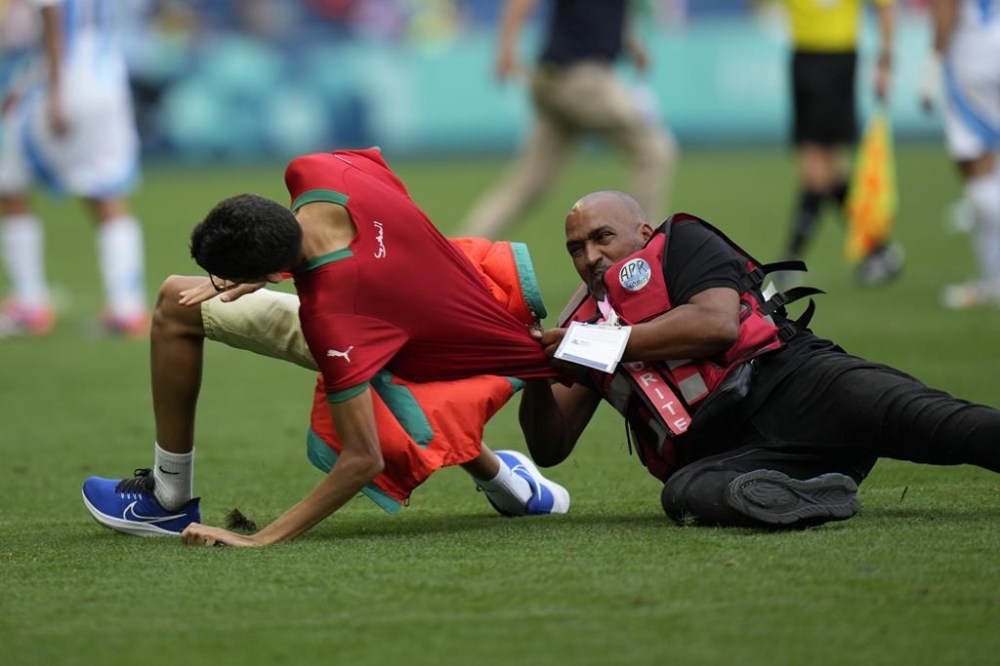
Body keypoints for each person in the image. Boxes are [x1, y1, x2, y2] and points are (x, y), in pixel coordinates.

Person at [81, 147, 570, 548]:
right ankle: (508, 484)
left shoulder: (335, 318)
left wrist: (258, 540)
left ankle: (167, 499)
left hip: (460, 360)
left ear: (272, 274)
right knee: (179, 300)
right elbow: (383, 210)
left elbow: (363, 459)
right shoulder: (317, 170)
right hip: (475, 299)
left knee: (384, 388)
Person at [518, 190, 1000, 529]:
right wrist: (536, 369)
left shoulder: (681, 244)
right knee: (683, 495)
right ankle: (815, 495)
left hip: (799, 383)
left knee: (941, 423)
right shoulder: (581, 326)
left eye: (603, 237)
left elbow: (716, 324)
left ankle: (810, 491)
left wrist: (595, 346)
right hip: (732, 452)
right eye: (576, 248)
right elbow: (551, 447)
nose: (591, 256)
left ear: (642, 231)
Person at [458, 0, 675, 240]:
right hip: (581, 79)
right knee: (654, 151)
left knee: (527, 184)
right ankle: (646, 254)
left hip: (552, 77)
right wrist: (505, 49)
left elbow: (607, 12)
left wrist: (632, 45)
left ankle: (462, 249)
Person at [0, 0, 149, 338]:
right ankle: (127, 307)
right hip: (108, 81)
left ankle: (29, 304)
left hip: (66, 82)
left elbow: (49, 15)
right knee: (107, 194)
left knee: (10, 185)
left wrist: (55, 92)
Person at [778, 0, 903, 286]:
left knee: (816, 169)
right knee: (829, 172)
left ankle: (792, 257)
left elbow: (885, 7)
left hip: (837, 59)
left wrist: (886, 61)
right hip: (804, 58)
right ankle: (879, 248)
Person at [920, 0, 1000, 309]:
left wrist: (932, 65)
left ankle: (993, 279)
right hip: (993, 43)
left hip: (973, 55)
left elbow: (945, 7)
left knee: (975, 165)